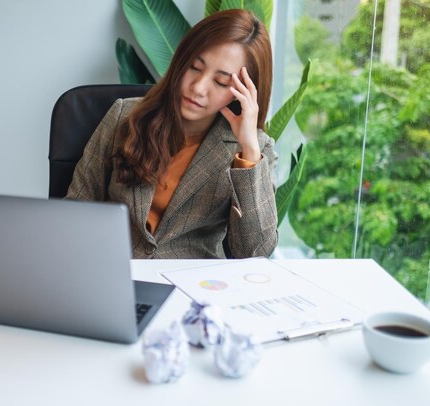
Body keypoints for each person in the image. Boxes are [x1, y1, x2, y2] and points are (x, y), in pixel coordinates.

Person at [66, 9, 278, 259]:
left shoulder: (254, 151)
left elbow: (254, 253)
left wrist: (249, 152)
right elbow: (76, 211)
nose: (198, 88)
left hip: (192, 287)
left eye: (221, 82)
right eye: (194, 67)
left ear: (244, 91)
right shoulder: (124, 115)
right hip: (112, 271)